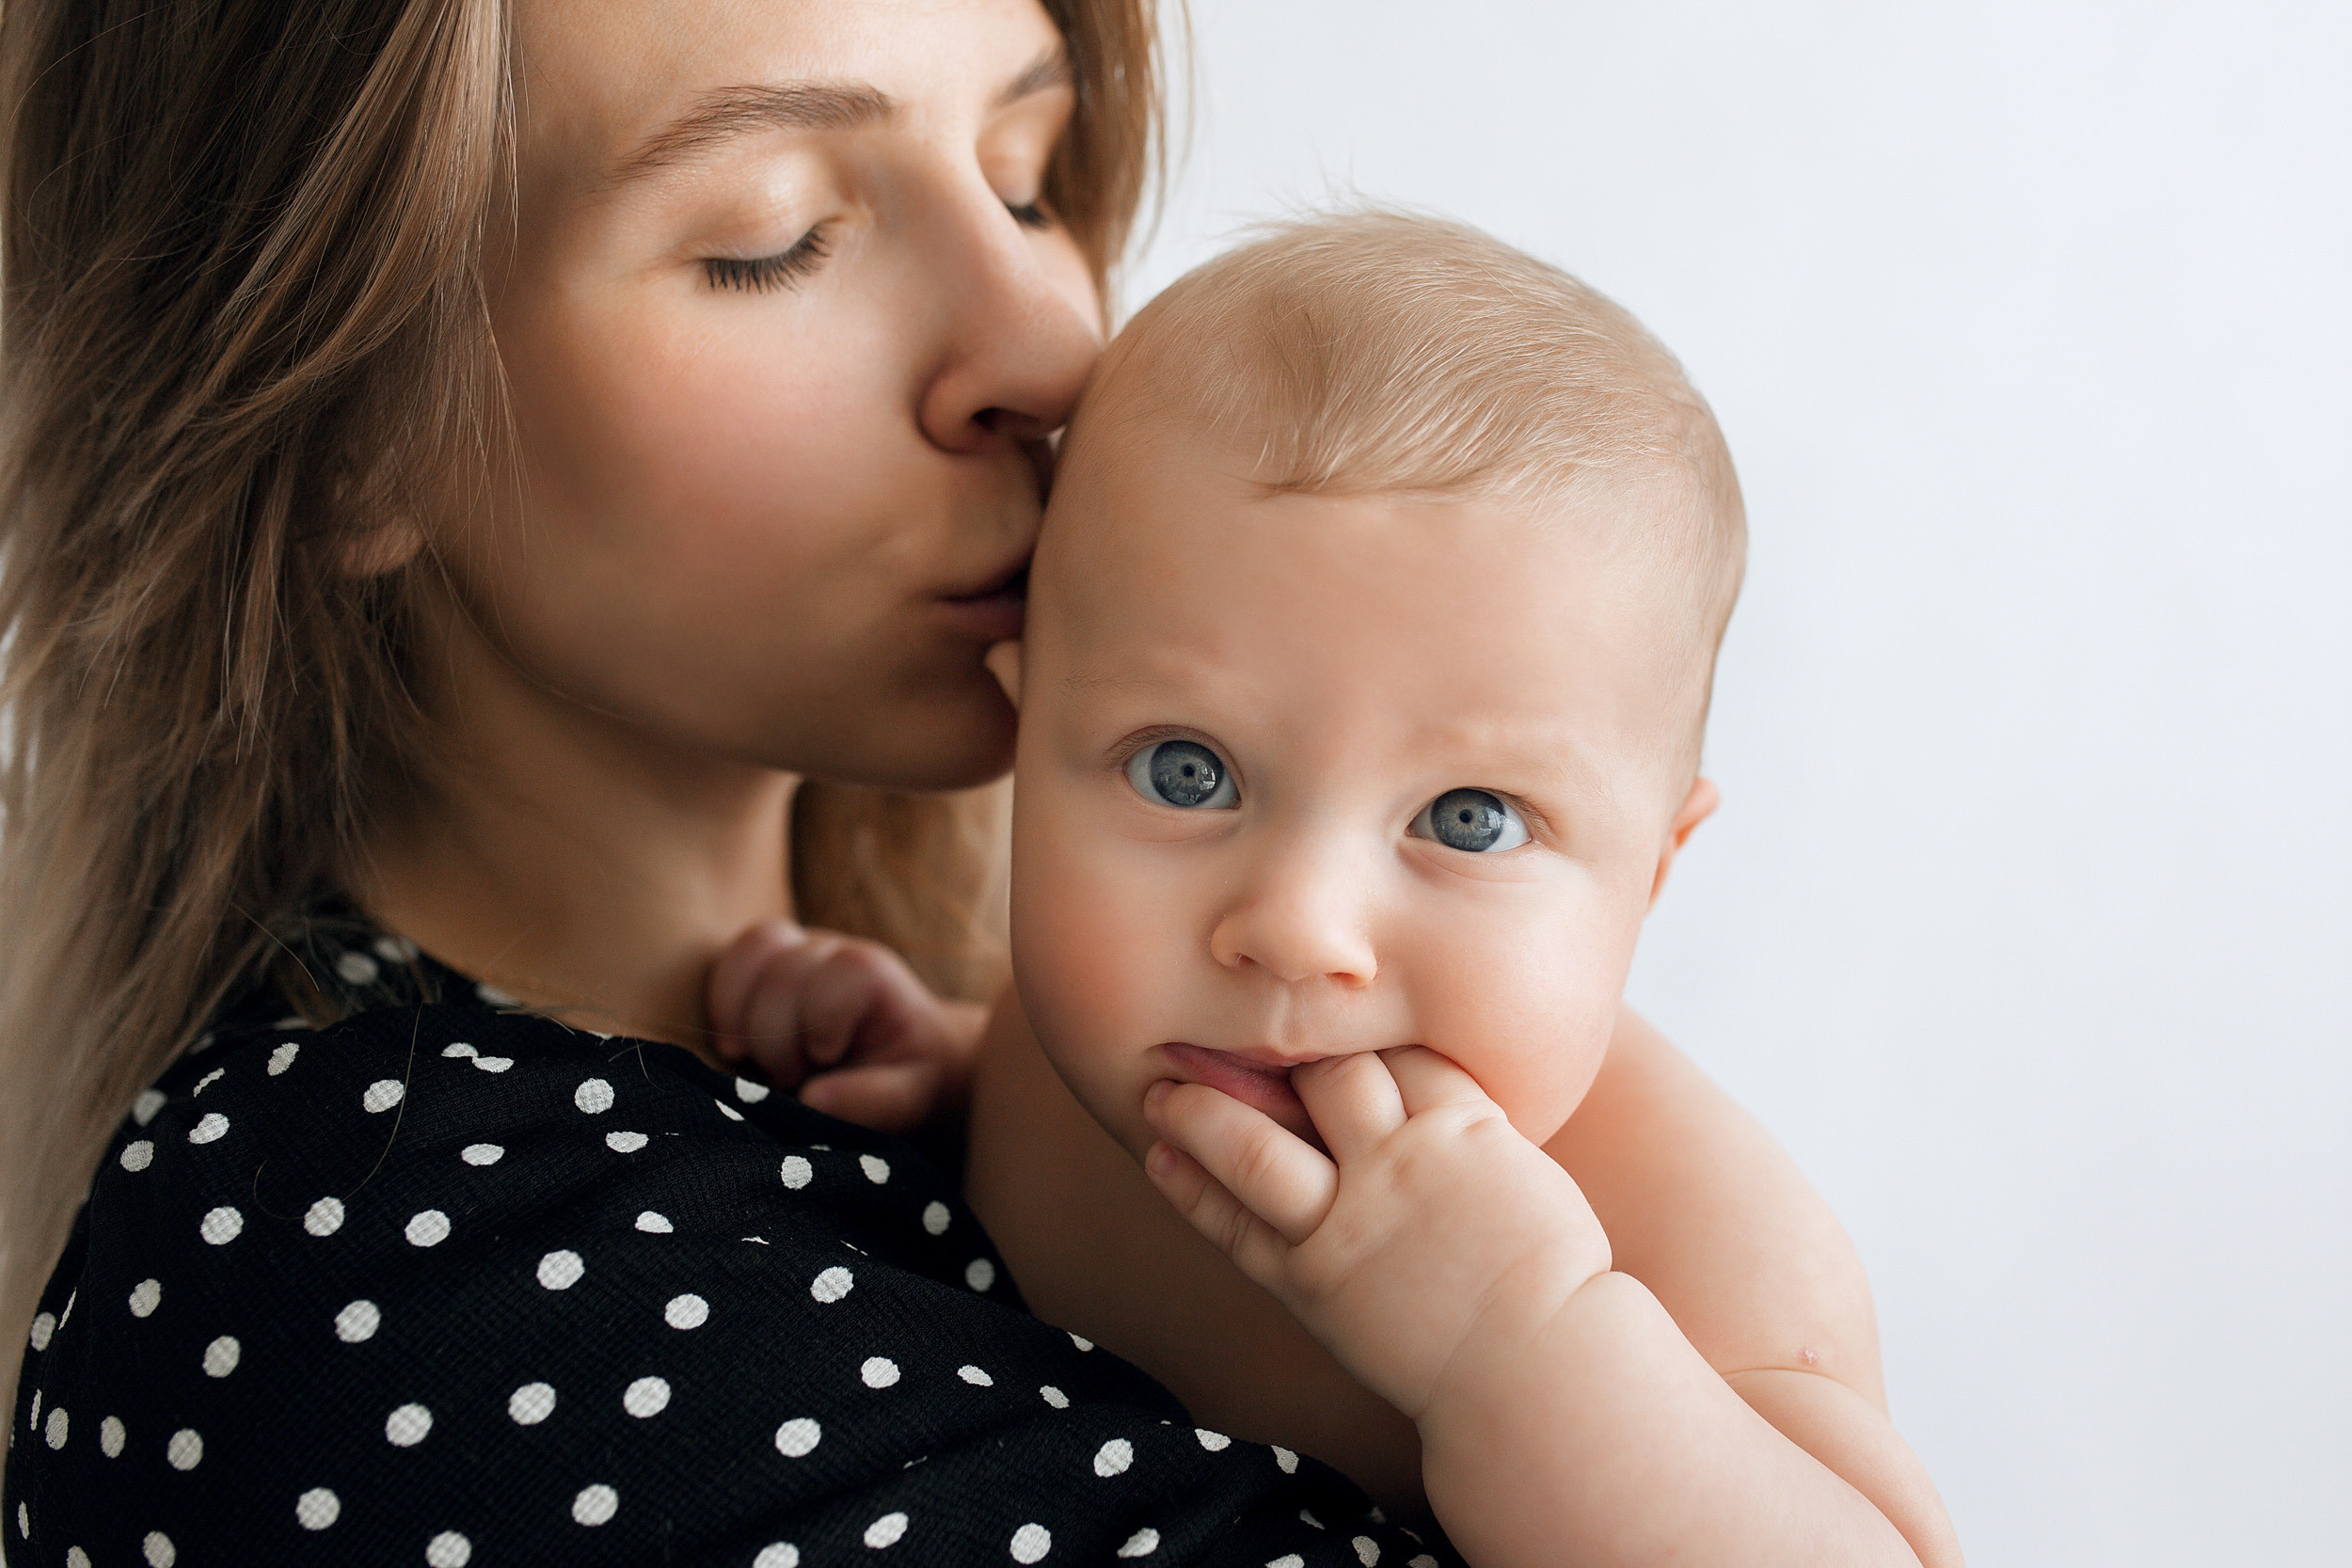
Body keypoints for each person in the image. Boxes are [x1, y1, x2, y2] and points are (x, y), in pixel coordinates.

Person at [0, 2, 1909, 1563]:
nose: (1051, 341)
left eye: (1025, 175)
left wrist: (937, 1114)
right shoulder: (356, 1249)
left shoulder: (1126, 1072)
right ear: (351, 431)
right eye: (774, 234)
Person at [719, 213, 1966, 1568]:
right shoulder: (1085, 1036)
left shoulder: (1686, 1234)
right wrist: (950, 1072)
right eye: (1187, 774)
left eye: (1469, 820)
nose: (1299, 929)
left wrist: (1519, 1341)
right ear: (1025, 746)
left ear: (1653, 870)